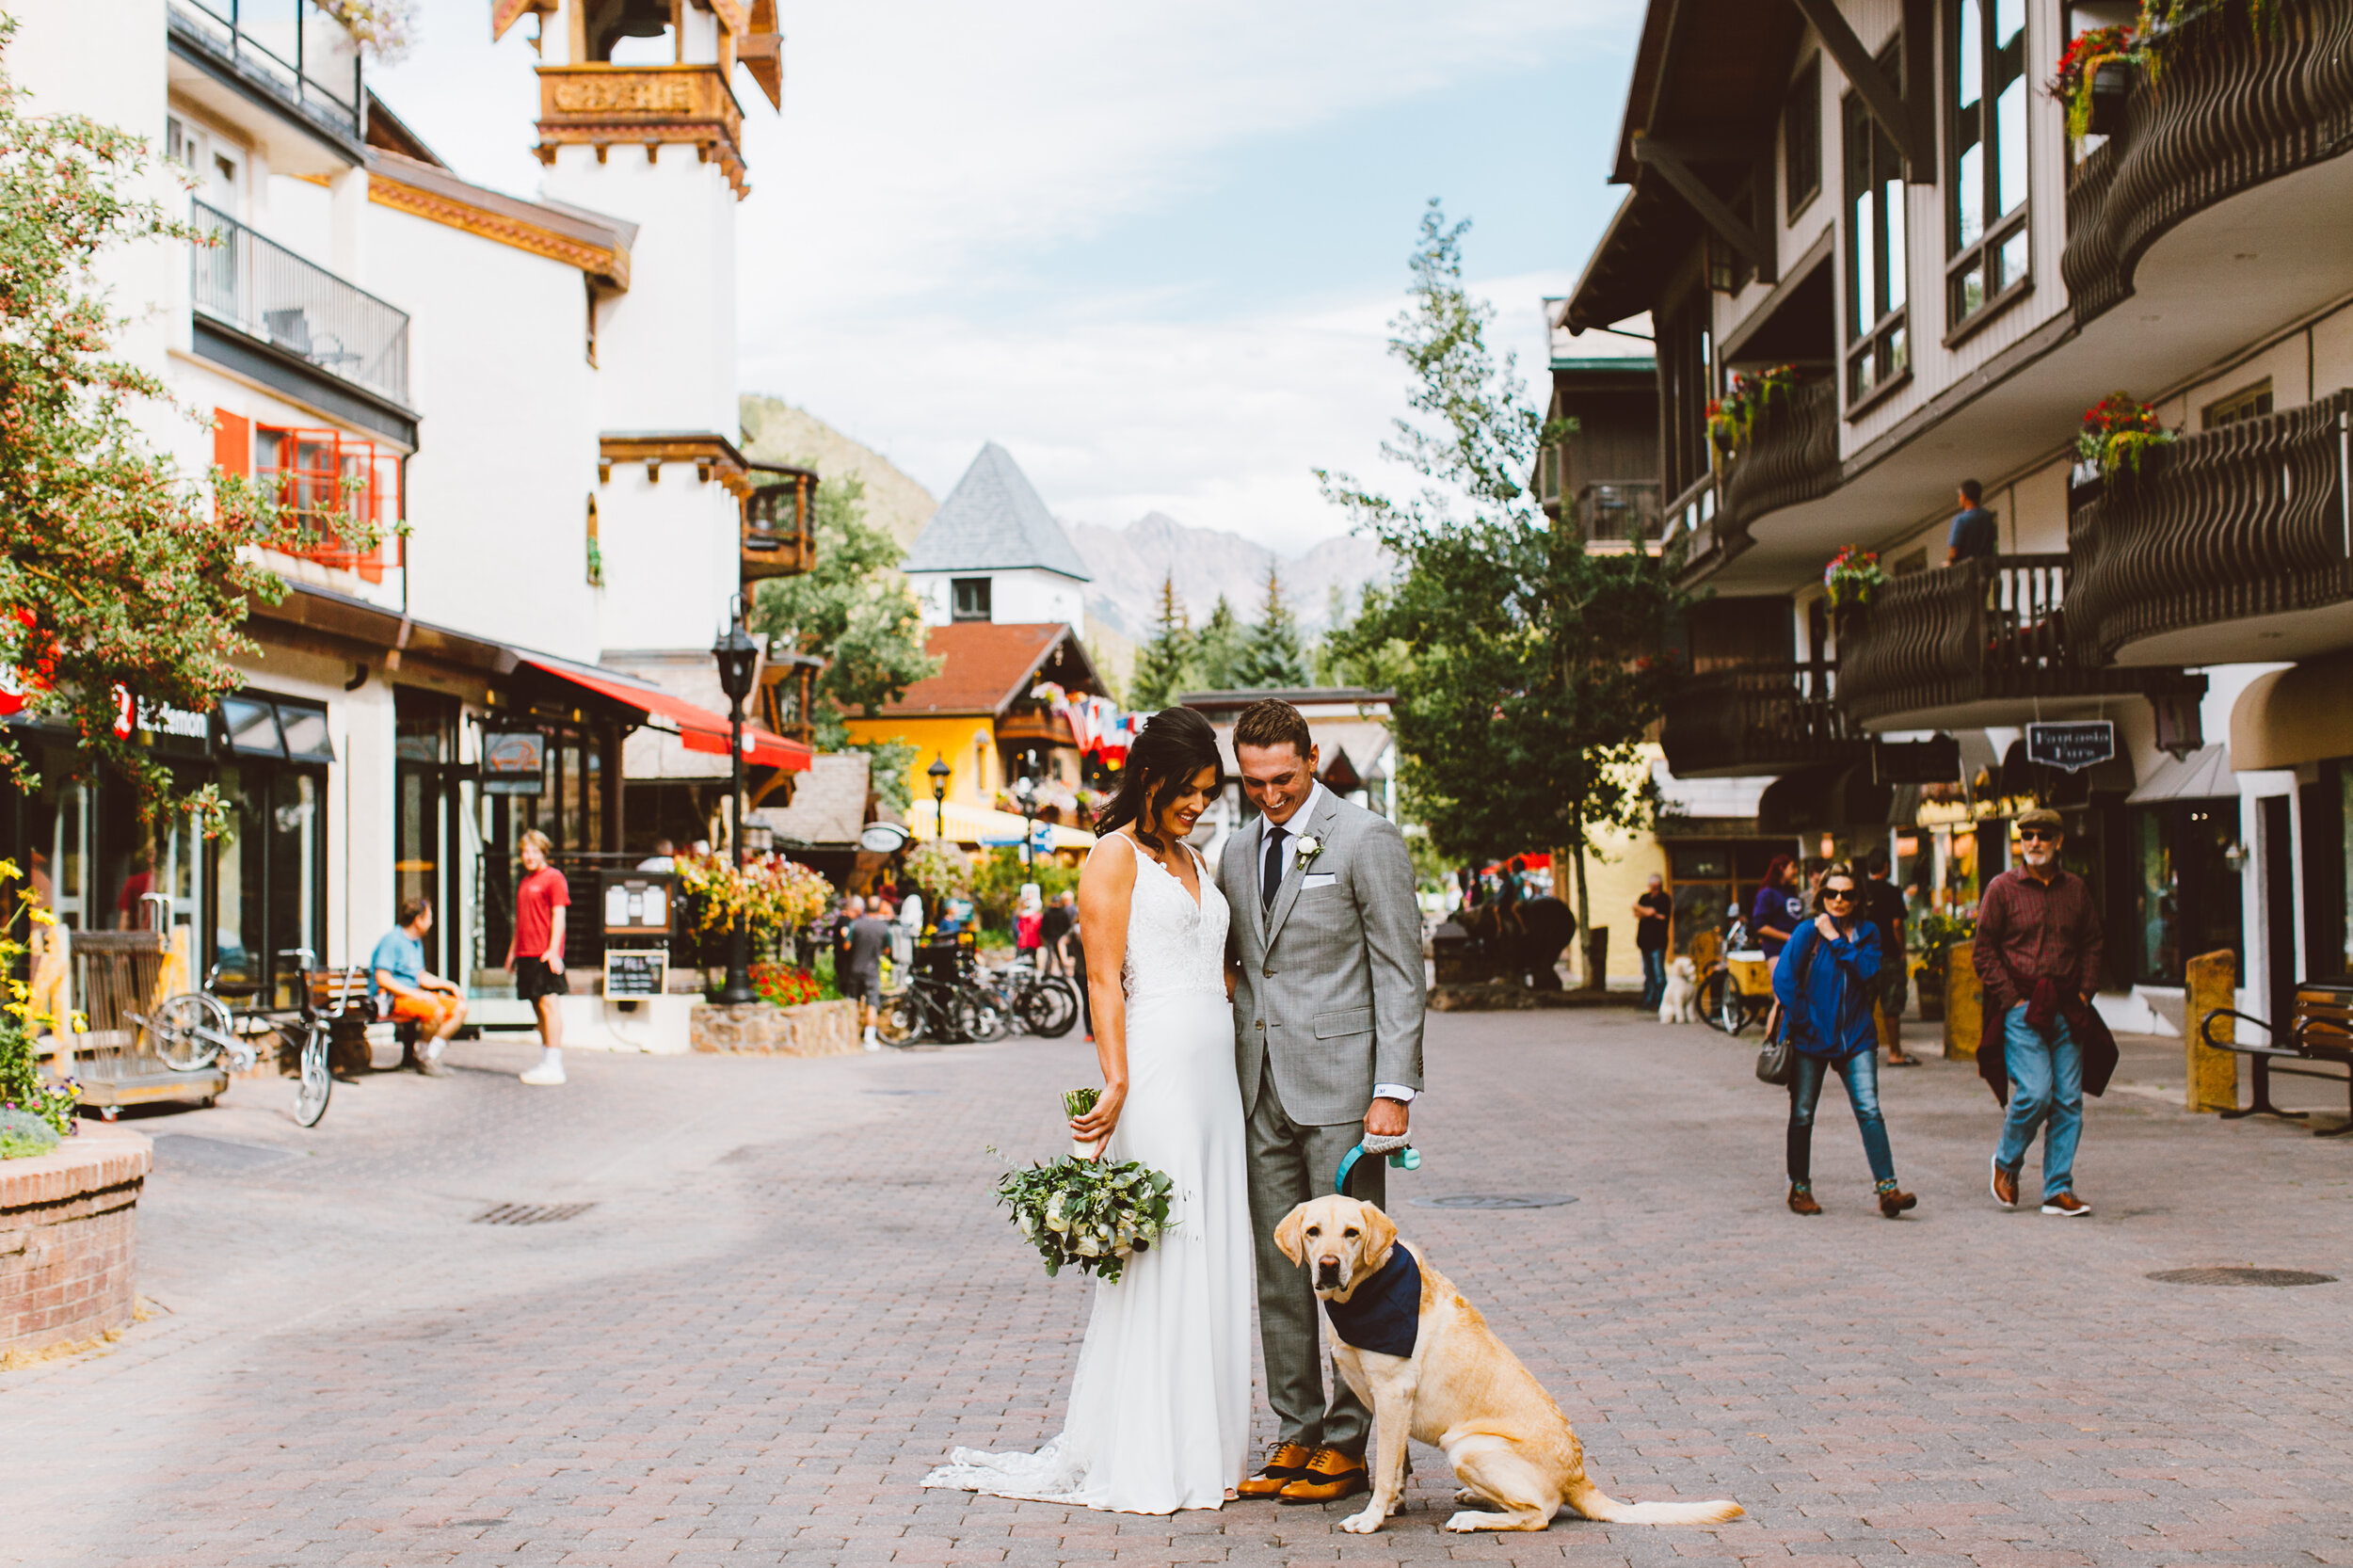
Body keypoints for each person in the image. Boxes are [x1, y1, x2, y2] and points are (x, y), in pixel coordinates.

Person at [926, 706, 1249, 1513]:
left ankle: (1203, 1447)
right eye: (1189, 791)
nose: (1198, 806)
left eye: (1209, 794)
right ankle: (1151, 1450)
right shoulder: (1113, 856)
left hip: (1216, 1075)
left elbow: (1222, 966)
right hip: (1160, 1072)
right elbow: (1103, 980)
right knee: (1170, 1246)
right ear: (1151, 777)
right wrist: (1115, 1081)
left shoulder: (1195, 858)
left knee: (1212, 1245)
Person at [1225, 697, 1425, 1506]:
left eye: (1281, 778)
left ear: (1311, 759)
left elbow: (1399, 968)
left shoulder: (1364, 837)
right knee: (1283, 1271)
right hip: (1258, 1086)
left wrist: (1393, 1091)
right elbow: (1246, 964)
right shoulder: (1236, 851)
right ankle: (1295, 1434)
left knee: (1355, 1270)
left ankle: (1351, 1441)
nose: (1269, 796)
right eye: (1253, 782)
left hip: (1345, 1093)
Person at [1974, 808, 2116, 1217]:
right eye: (2027, 835)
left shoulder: (2076, 890)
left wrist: (2087, 991)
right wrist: (2010, 999)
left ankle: (2057, 1188)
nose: (2034, 842)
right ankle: (2006, 1162)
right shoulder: (2002, 889)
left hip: (2069, 1007)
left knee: (2069, 1100)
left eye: (2043, 835)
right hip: (2023, 1008)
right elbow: (1983, 951)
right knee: (2035, 1092)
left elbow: (2092, 941)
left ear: (2058, 841)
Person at [1773, 865, 1917, 1219]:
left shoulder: (1868, 933)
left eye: (1847, 894)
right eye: (1832, 893)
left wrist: (1836, 939)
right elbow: (1784, 980)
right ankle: (1800, 1188)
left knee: (1869, 1109)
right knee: (1803, 1113)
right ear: (1821, 897)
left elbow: (1868, 971)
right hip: (1811, 1038)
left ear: (1857, 900)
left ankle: (1888, 1190)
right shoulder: (1807, 932)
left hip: (1856, 1037)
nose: (1839, 900)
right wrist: (1805, 1022)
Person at [369, 897, 468, 1075]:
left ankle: (429, 1055)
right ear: (418, 920)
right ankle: (423, 1059)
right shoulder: (392, 940)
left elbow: (420, 976)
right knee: (435, 1011)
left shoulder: (415, 942)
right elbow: (383, 978)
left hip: (413, 995)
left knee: (460, 1008)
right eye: (429, 918)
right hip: (393, 999)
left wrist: (448, 985)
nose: (431, 922)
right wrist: (416, 994)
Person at [507, 829, 568, 1086]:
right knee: (537, 1006)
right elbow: (521, 921)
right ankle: (546, 1059)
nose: (528, 856)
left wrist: (553, 950)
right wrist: (512, 953)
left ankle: (555, 1064)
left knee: (549, 1005)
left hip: (543, 953)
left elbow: (559, 916)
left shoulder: (554, 879)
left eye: (533, 851)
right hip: (526, 952)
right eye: (525, 851)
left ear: (543, 852)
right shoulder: (524, 881)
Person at [1860, 854, 1917, 1065]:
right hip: (1889, 956)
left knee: (1864, 1005)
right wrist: (1901, 950)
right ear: (1886, 866)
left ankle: (1860, 1053)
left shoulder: (1861, 891)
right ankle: (1895, 1052)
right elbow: (1896, 924)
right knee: (1891, 1006)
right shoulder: (1893, 892)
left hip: (1865, 957)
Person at [839, 894, 890, 1051]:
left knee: (853, 1001)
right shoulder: (883, 927)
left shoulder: (856, 924)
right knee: (871, 1004)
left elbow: (846, 946)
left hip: (855, 968)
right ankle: (869, 1038)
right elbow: (887, 949)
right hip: (872, 969)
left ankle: (849, 1034)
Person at [1750, 855, 1803, 962]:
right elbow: (1760, 926)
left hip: (1797, 950)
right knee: (1782, 978)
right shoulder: (1767, 893)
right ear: (1781, 868)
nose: (1796, 871)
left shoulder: (1790, 893)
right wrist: (1788, 937)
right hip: (1777, 951)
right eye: (1792, 867)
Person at [1632, 872, 1673, 1011]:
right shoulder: (1645, 897)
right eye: (1653, 887)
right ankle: (1648, 1000)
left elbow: (1646, 912)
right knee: (1648, 973)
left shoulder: (1664, 899)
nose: (1655, 889)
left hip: (1658, 943)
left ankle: (1661, 1001)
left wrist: (1647, 912)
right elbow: (1636, 911)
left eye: (1658, 887)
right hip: (1644, 942)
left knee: (1659, 974)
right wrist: (1650, 913)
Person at [1945, 478, 1997, 565]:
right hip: (1985, 568)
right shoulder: (1987, 516)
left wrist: (1949, 563)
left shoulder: (1960, 520)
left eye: (1960, 496)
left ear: (1963, 497)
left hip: (1965, 570)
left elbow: (1953, 550)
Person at [1039, 888, 1075, 977]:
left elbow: (1067, 926)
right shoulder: (1059, 912)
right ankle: (1051, 972)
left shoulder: (1058, 912)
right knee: (1052, 956)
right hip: (1053, 938)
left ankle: (1056, 972)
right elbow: (1043, 927)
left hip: (1055, 938)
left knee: (1056, 956)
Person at [1015, 883, 1045, 965]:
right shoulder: (1032, 916)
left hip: (1026, 940)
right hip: (1029, 940)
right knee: (1029, 957)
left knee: (1026, 957)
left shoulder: (1026, 916)